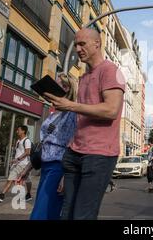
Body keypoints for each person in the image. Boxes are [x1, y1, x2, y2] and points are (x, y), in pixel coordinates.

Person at [44, 28, 125, 220]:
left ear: (97, 44)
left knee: (83, 215)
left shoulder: (111, 70)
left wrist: (71, 105)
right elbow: (81, 116)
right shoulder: (84, 76)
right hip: (75, 152)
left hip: (99, 155)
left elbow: (111, 110)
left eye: (82, 44)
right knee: (67, 214)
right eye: (76, 44)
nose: (78, 49)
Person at [19, 73, 78, 220]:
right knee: (48, 212)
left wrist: (66, 175)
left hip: (58, 168)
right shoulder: (54, 113)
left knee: (42, 213)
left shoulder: (72, 113)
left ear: (68, 89)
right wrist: (27, 168)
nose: (55, 88)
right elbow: (43, 144)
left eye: (61, 85)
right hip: (45, 168)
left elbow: (73, 145)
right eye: (56, 84)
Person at [0, 126, 33, 203]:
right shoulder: (18, 141)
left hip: (23, 164)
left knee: (27, 180)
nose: (17, 131)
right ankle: (2, 195)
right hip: (17, 164)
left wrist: (17, 159)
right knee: (10, 179)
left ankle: (28, 194)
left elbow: (27, 152)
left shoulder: (27, 141)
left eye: (18, 130)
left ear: (23, 131)